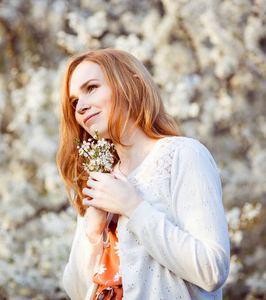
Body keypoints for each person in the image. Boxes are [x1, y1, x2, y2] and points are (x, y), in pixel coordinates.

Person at [56, 49, 230, 300]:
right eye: (74, 102)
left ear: (132, 85)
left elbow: (212, 269)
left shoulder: (183, 155)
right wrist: (93, 230)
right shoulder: (100, 179)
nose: (80, 107)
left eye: (91, 88)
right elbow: (76, 291)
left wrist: (133, 207)